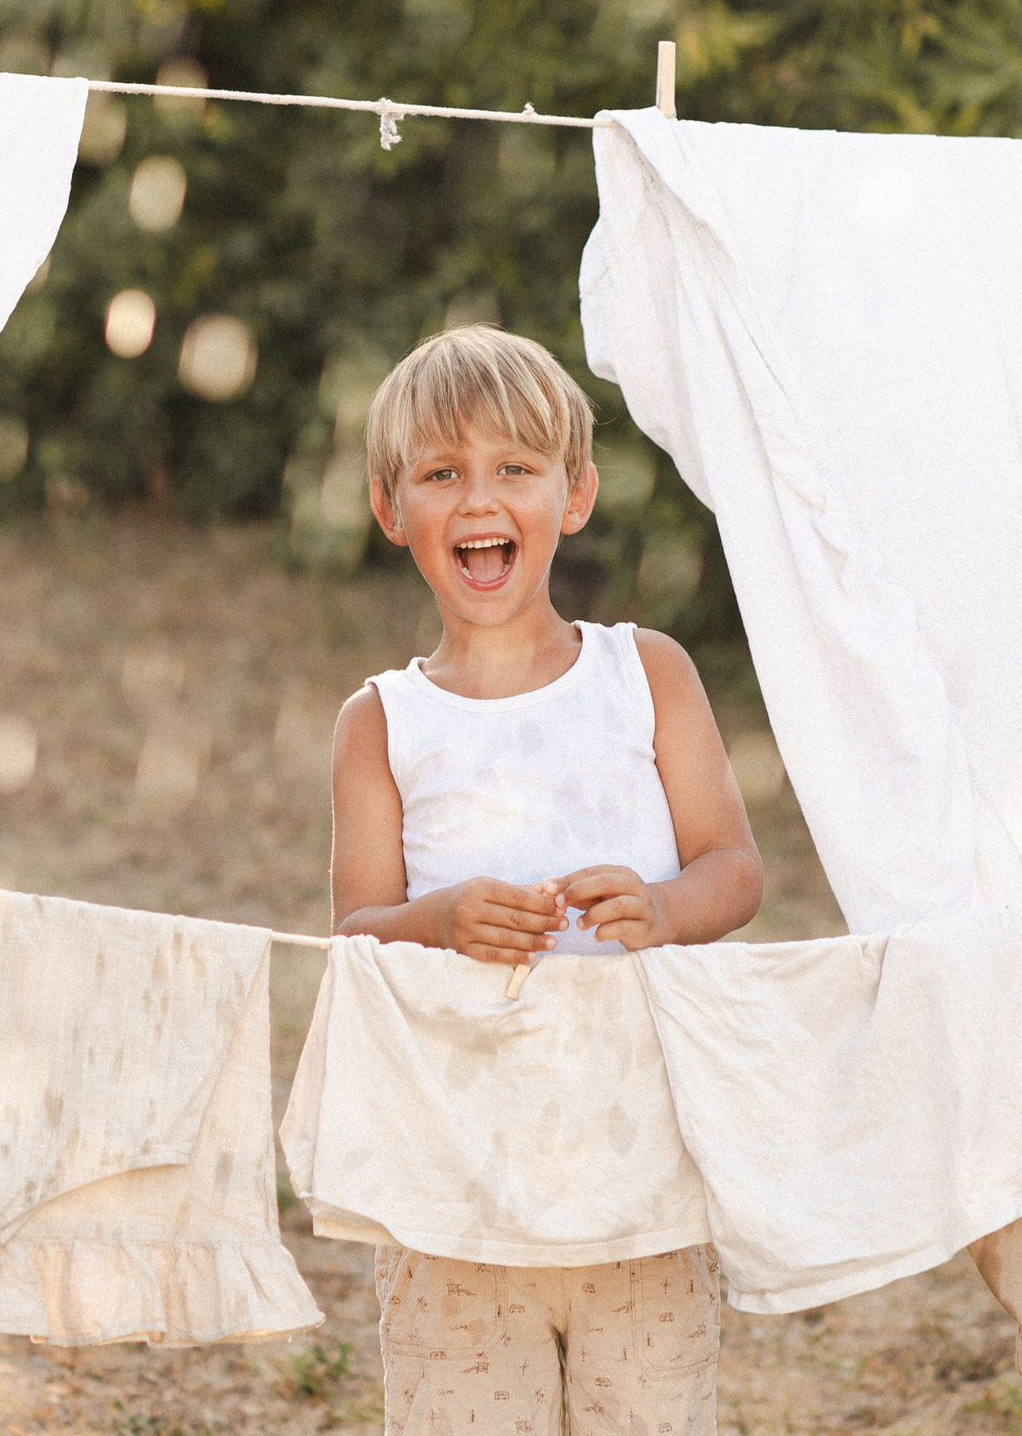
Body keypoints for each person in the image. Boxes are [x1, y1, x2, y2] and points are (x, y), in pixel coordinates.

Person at [329, 323, 763, 1436]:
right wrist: (438, 919)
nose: (479, 498)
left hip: (640, 1176)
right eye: (441, 473)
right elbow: (357, 936)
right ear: (392, 509)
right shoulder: (382, 720)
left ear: (573, 495)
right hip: (456, 1185)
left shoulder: (645, 671)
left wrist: (663, 906)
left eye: (515, 468)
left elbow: (734, 866)